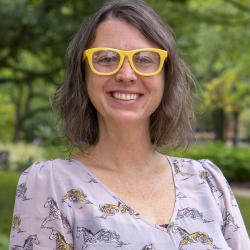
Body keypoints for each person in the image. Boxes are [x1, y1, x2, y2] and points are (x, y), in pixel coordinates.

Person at [9, 0, 249, 249]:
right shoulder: (49, 185)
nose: (126, 74)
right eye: (107, 59)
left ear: (166, 75)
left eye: (144, 60)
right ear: (83, 75)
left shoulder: (208, 182)